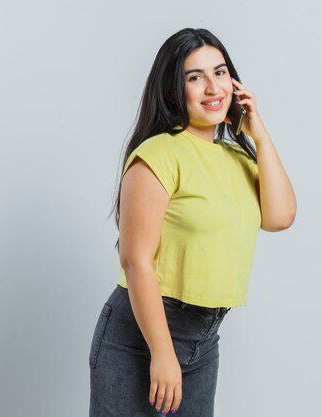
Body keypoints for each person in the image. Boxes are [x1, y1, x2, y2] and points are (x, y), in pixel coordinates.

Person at [88, 28, 297, 417]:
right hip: (141, 336)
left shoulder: (238, 157)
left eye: (220, 73)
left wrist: (260, 135)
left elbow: (280, 216)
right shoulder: (158, 155)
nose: (212, 87)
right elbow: (136, 260)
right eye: (194, 77)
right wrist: (162, 353)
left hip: (205, 339)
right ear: (172, 91)